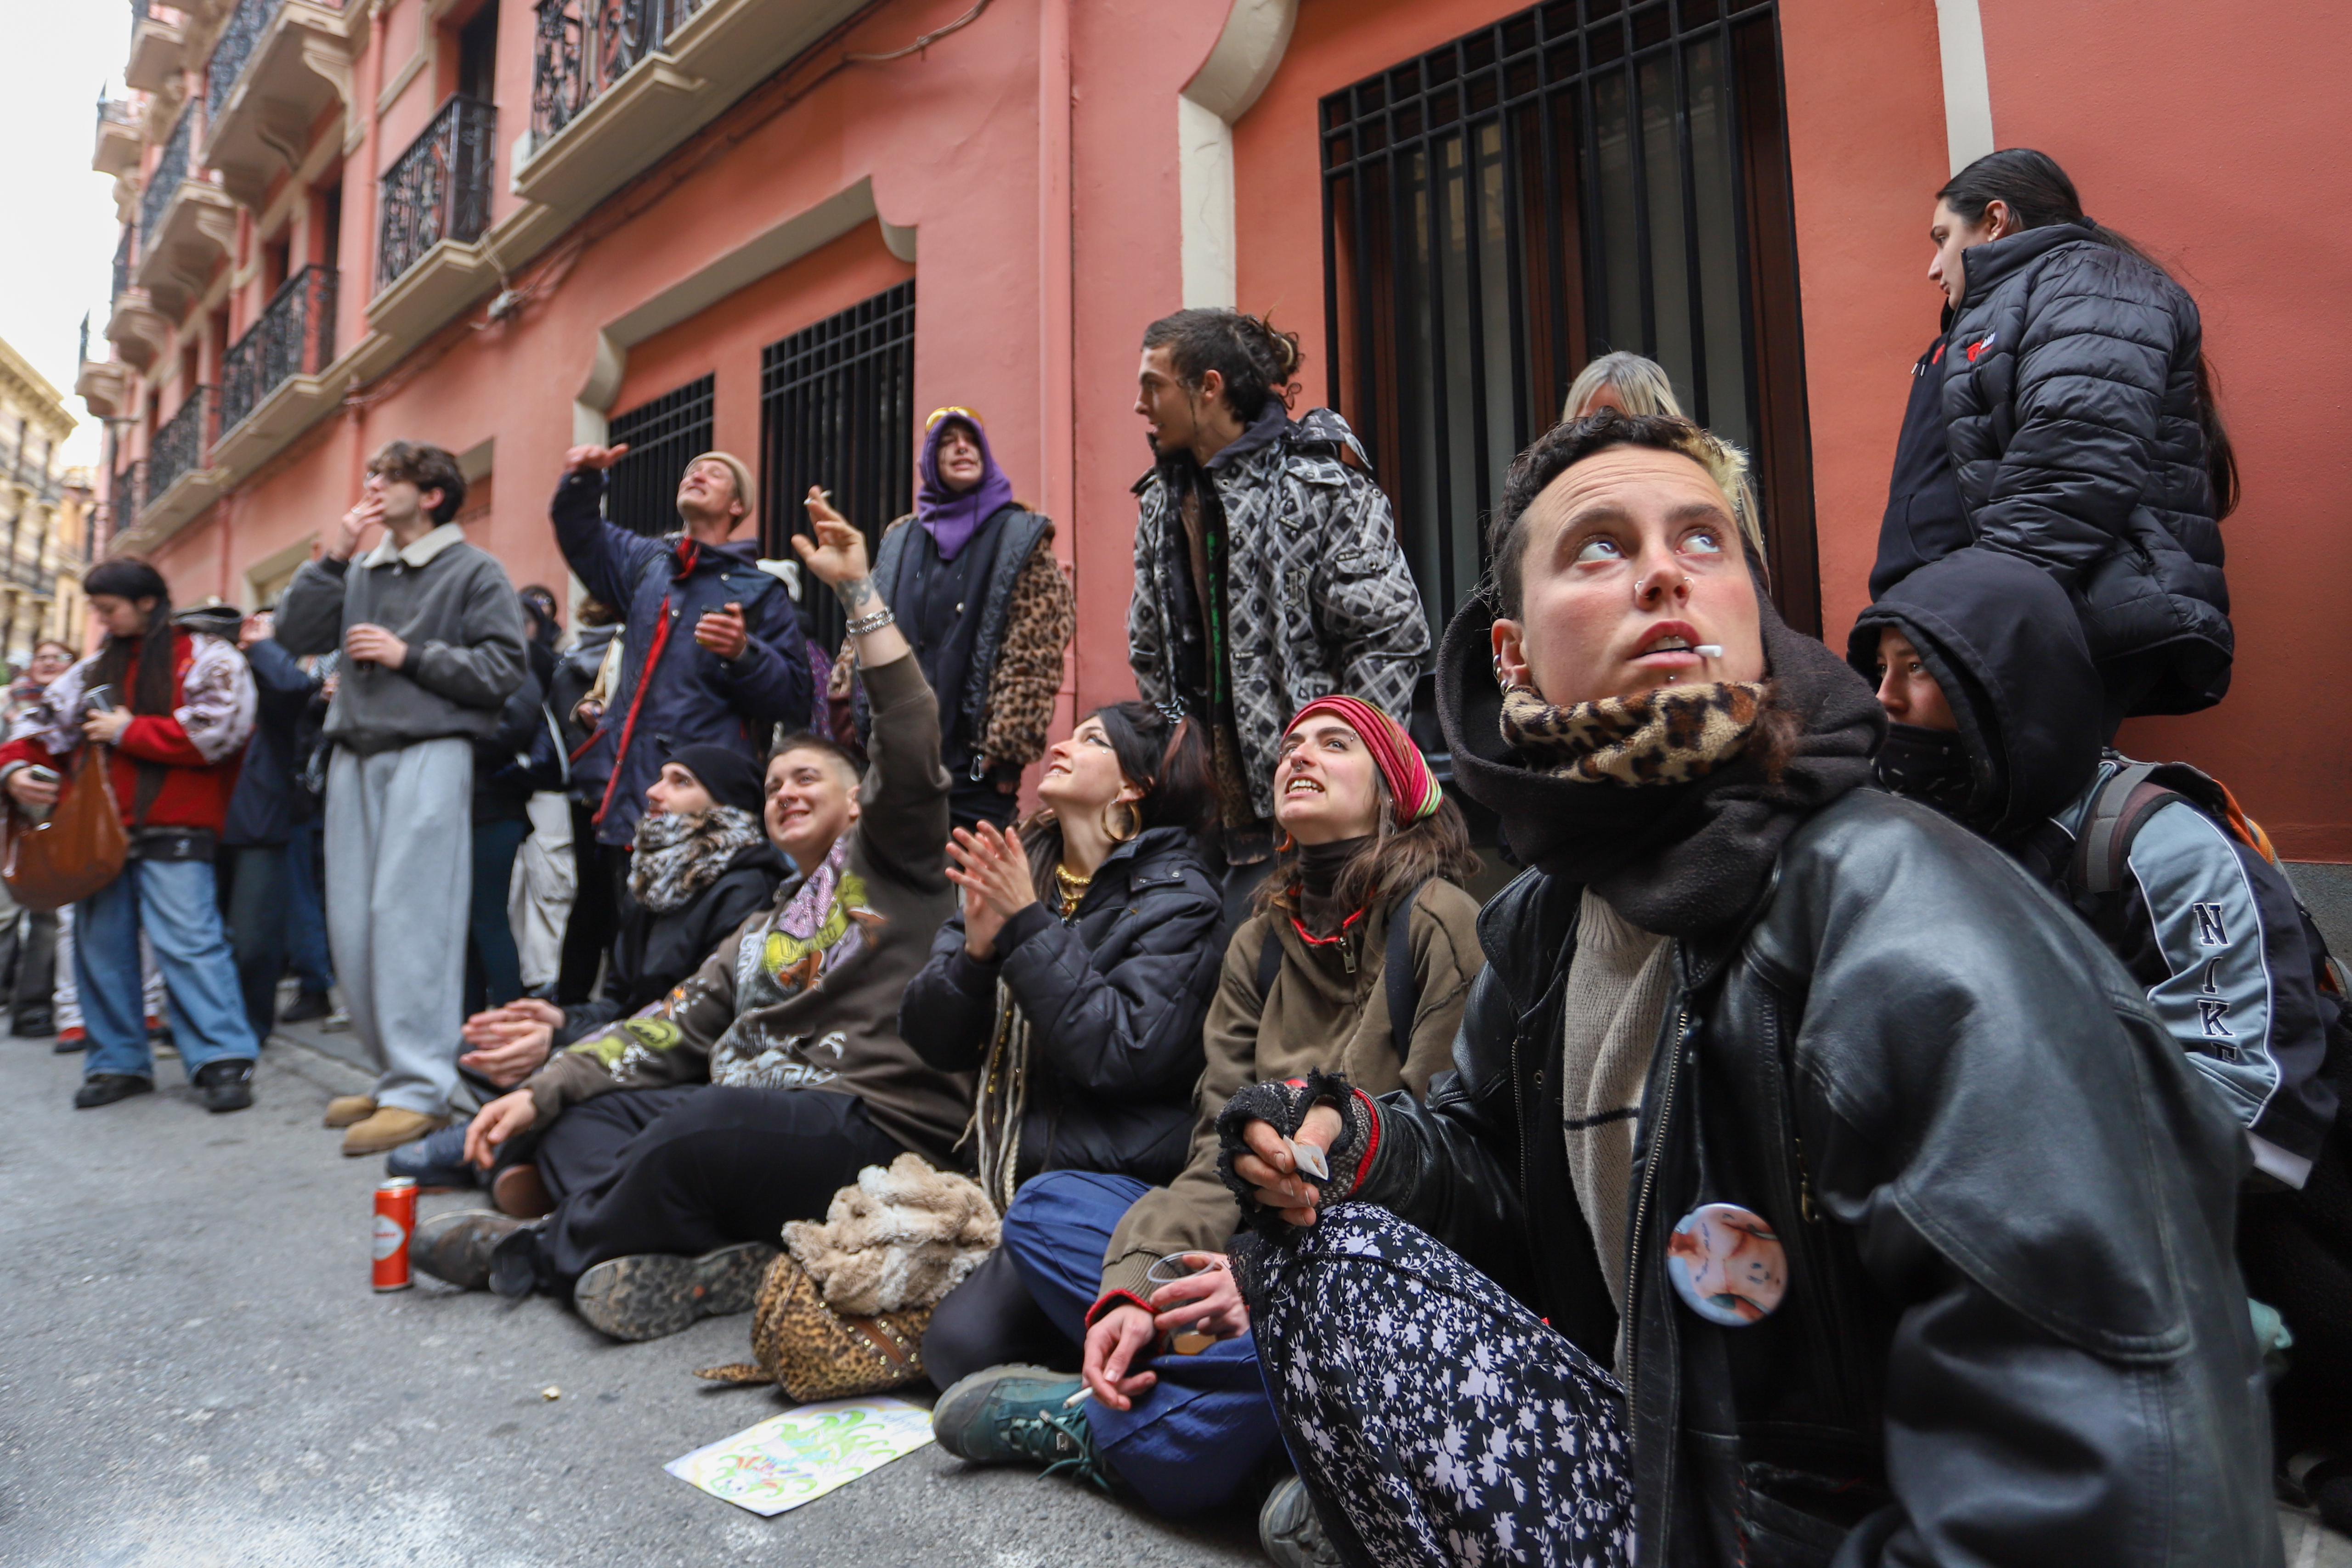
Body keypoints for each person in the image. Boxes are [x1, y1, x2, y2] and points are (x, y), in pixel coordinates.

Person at [1216, 410, 2273, 1567]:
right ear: (1512, 654)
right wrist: (1353, 1137)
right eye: (1601, 546)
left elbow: (2128, 1481)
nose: (1666, 568)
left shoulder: (1907, 922)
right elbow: (1498, 1165)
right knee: (1308, 1257)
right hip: (1663, 1466)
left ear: (1756, 624)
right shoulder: (1548, 909)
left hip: (1804, 1533)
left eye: (1703, 540)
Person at [1851, 547, 2352, 1529]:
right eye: (1882, 670)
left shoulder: (2159, 844)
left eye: (1917, 671)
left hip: (2275, 1200)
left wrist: (2036, 1158)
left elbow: (2246, 1099)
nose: (1886, 701)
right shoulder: (1937, 827)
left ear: (1997, 688)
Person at [406, 489, 970, 1343]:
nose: (785, 790)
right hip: (754, 1119)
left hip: (869, 1121)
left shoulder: (897, 861)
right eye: (775, 784)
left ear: (862, 804)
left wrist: (860, 594)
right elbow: (666, 1026)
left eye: (809, 779)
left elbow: (910, 730)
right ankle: (715, 1255)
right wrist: (540, 1090)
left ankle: (539, 1250)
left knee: (702, 1120)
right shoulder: (764, 926)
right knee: (588, 1108)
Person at [928, 697, 1483, 1546]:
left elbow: (1448, 1163)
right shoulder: (1260, 939)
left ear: (1394, 791)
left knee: (1161, 1429)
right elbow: (1212, 1151)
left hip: (1373, 1268)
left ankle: (1108, 1424)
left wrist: (1263, 1278)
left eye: (1335, 744)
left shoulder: (1442, 919)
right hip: (1247, 1255)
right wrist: (1136, 1288)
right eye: (1290, 743)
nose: (1299, 754)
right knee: (1047, 1209)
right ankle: (1293, 1436)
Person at [900, 703, 1220, 1387]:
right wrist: (976, 958)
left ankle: (1122, 1363)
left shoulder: (1178, 897)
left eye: (1093, 739)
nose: (1062, 746)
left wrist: (1024, 927)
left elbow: (1126, 1051)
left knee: (962, 1346)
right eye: (1070, 735)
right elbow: (931, 1038)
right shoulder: (1022, 864)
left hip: (1120, 1185)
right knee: (953, 1351)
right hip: (1013, 1181)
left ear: (1132, 786)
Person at [1872, 147, 2236, 726]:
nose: (1933, 267)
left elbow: (2073, 464)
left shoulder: (2091, 281)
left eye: (1942, 238)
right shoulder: (2014, 308)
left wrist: (1966, 615)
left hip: (2010, 627)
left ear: (1993, 221)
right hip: (1979, 625)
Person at [1127, 308, 1428, 921]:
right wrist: (1175, 757)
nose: (1141, 404)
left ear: (1207, 387)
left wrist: (1351, 776)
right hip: (1205, 826)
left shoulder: (1322, 488)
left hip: (1317, 821)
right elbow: (1148, 647)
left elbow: (1387, 637)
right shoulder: (1160, 504)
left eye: (1153, 384)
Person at [276, 440, 529, 1155]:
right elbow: (292, 634)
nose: (375, 487)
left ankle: (421, 1088)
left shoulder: (475, 569)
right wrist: (332, 557)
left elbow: (505, 667)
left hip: (429, 752)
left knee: (412, 918)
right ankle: (394, 1075)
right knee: (354, 923)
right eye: (374, 476)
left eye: (390, 478)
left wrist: (407, 655)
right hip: (355, 752)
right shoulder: (360, 567)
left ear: (433, 495)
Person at [400, 741, 788, 1201]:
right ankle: (524, 1151)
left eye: (679, 782)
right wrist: (559, 1022)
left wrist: (562, 1045)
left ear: (726, 807)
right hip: (637, 1038)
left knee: (581, 1092)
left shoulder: (746, 891)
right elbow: (621, 1001)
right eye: (661, 777)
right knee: (484, 1045)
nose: (653, 792)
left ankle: (505, 1152)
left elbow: (694, 1026)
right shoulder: (654, 877)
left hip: (686, 1062)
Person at [0, 559, 260, 1112]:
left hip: (177, 825)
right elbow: (37, 726)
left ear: (145, 602)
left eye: (107, 607)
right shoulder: (94, 667)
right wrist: (14, 768)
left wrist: (129, 731)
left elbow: (223, 730)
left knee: (191, 945)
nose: (99, 618)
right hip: (102, 832)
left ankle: (221, 1060)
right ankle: (117, 1062)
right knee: (102, 950)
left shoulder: (210, 656)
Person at [550, 445, 815, 896]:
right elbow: (580, 533)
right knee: (625, 938)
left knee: (688, 938)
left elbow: (794, 697)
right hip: (628, 789)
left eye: (714, 473)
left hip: (702, 796)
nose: (696, 475)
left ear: (737, 506)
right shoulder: (648, 564)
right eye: (691, 470)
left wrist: (744, 653)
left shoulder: (762, 592)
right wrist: (583, 480)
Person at [832, 406, 1074, 834]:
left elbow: (1035, 652)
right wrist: (856, 720)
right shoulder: (900, 538)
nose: (962, 447)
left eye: (971, 439)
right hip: (892, 762)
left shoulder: (1021, 535)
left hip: (972, 773)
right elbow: (864, 625)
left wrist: (1004, 752)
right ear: (929, 459)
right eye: (947, 441)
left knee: (968, 889)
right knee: (880, 892)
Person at [212, 605, 319, 1048]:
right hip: (202, 823)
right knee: (207, 939)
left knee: (253, 939)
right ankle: (212, 1027)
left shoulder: (269, 682)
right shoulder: (200, 680)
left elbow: (297, 686)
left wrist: (263, 647)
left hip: (257, 821)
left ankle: (249, 1031)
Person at [551, 597, 624, 1004]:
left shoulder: (572, 664)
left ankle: (574, 999)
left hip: (590, 795)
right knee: (609, 901)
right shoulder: (613, 658)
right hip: (608, 794)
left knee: (593, 899)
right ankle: (599, 998)